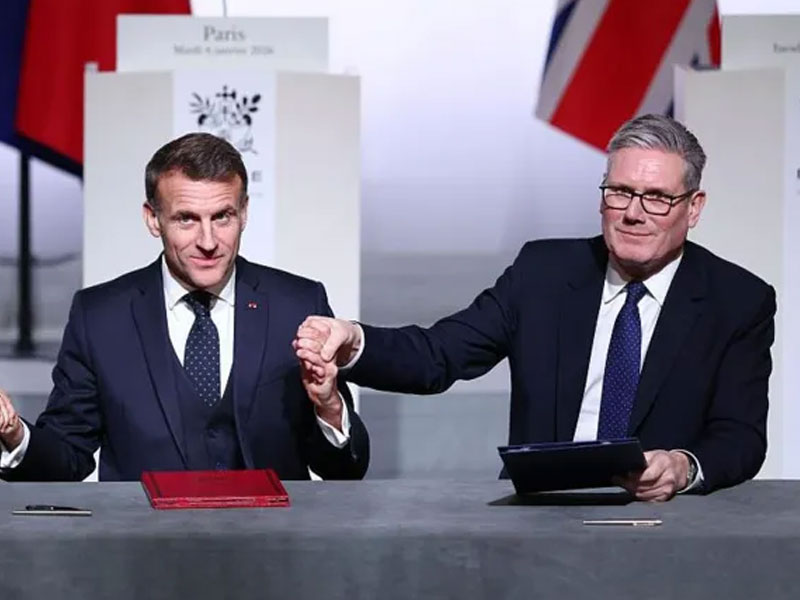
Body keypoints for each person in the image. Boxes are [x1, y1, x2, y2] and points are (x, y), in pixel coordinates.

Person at [294, 114, 775, 500]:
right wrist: (354, 341)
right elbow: (438, 355)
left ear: (694, 207)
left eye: (656, 198)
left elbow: (741, 436)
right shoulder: (543, 273)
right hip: (541, 517)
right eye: (620, 192)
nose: (633, 212)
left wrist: (683, 467)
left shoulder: (737, 301)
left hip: (662, 524)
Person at [0, 132, 369, 481]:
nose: (208, 241)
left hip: (273, 529)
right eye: (187, 219)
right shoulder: (100, 317)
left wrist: (330, 408)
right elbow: (66, 456)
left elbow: (345, 471)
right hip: (144, 529)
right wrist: (14, 434)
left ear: (243, 213)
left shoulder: (298, 305)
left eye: (222, 216)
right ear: (153, 219)